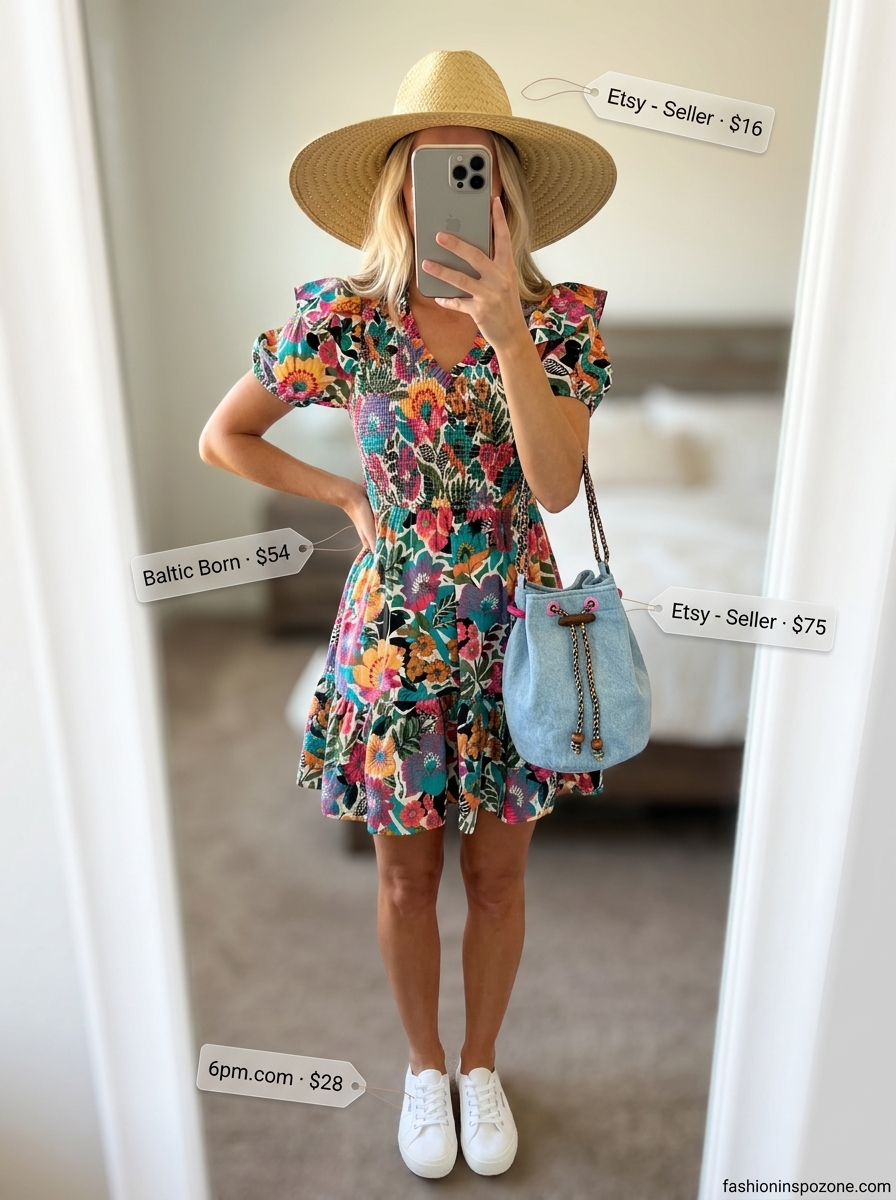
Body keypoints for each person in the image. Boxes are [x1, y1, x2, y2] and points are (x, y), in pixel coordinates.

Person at [199, 49, 615, 1179]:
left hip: (514, 635)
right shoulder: (345, 319)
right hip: (392, 637)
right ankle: (422, 1070)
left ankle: (481, 1064)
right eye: (428, 173)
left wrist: (506, 332)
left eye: (471, 171)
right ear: (395, 191)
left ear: (505, 189)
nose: (447, 193)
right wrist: (341, 493)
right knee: (400, 878)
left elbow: (555, 485)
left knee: (498, 878)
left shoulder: (561, 319)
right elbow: (223, 434)